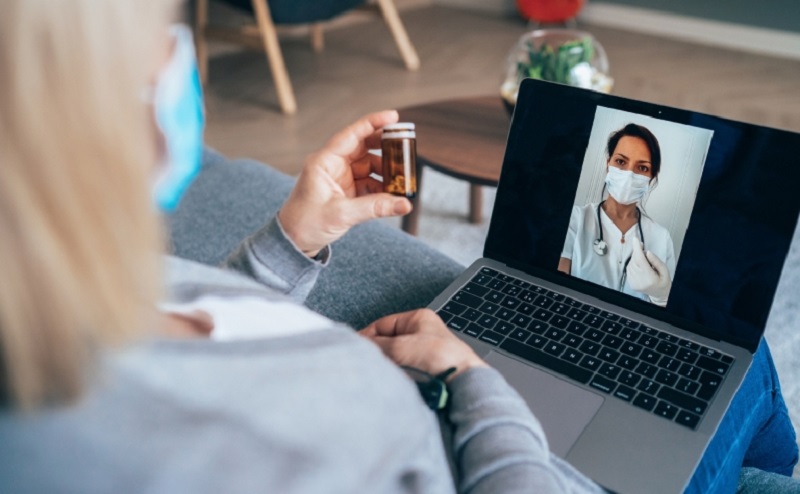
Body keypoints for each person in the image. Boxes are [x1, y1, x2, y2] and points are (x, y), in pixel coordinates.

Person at [0, 1, 796, 493]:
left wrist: (290, 241)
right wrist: (470, 377)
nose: (181, 59)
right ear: (110, 116)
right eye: (165, 36)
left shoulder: (61, 295)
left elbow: (171, 323)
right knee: (743, 362)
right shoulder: (237, 455)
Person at [559, 124, 675, 306]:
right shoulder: (574, 219)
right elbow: (556, 288)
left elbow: (670, 314)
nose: (629, 175)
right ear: (608, 164)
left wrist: (661, 297)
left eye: (642, 168)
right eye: (621, 162)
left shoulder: (661, 237)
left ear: (651, 177)